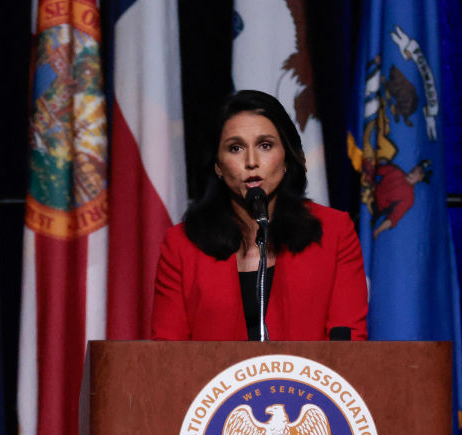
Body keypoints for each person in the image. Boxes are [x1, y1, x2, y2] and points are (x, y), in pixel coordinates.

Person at [151, 90, 368, 341]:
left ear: (286, 157)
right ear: (218, 166)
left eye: (265, 145)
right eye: (235, 148)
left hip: (306, 381)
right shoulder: (182, 245)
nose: (251, 161)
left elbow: (350, 345)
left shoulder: (334, 232)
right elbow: (166, 358)